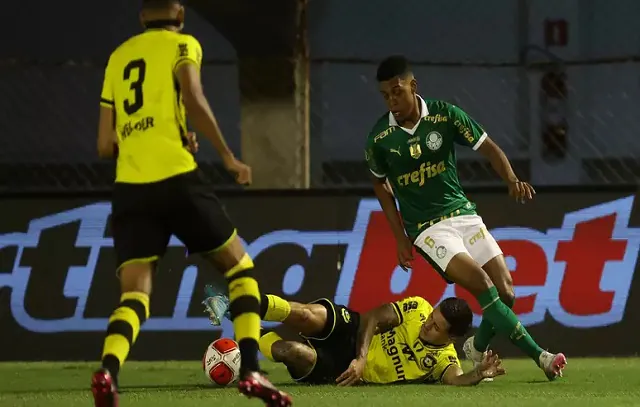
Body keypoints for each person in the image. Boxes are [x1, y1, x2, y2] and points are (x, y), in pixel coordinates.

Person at [92, 1, 292, 406]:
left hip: (130, 188)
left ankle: (108, 372)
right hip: (177, 180)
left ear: (141, 16)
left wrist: (150, 138)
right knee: (240, 269)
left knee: (135, 296)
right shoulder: (184, 44)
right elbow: (194, 98)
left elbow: (104, 145)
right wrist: (227, 156)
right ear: (179, 14)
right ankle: (252, 371)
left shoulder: (117, 57)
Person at [363, 55, 566, 381]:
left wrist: (511, 179)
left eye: (397, 92)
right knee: (483, 286)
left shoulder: (444, 115)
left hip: (463, 215)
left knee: (507, 294)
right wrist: (400, 236)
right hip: (428, 229)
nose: (392, 101)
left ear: (413, 86)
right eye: (385, 95)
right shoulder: (380, 139)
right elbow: (379, 183)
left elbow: (487, 147)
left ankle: (476, 345)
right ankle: (540, 356)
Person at [203, 288, 505, 386]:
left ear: (451, 338)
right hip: (356, 331)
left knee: (290, 351)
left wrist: (478, 373)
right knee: (306, 314)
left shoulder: (442, 360)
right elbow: (374, 317)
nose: (427, 325)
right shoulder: (418, 308)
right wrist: (361, 357)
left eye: (437, 327)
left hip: (342, 370)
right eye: (432, 318)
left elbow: (455, 379)